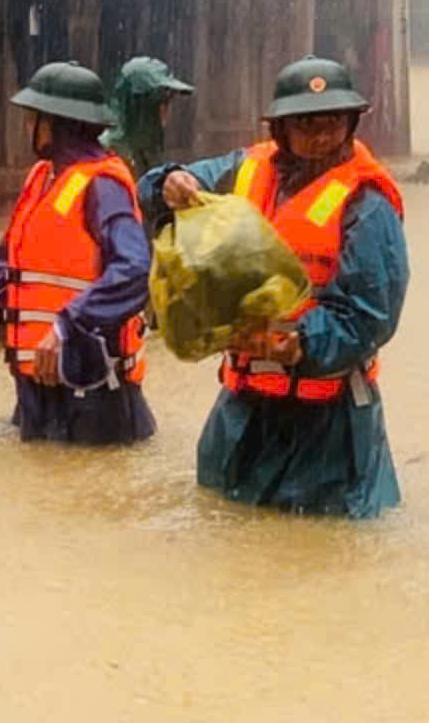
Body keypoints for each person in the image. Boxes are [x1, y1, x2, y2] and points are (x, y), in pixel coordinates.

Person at [144, 58, 408, 518]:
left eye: (332, 123)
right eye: (306, 124)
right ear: (281, 128)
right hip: (244, 411)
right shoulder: (244, 168)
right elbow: (166, 188)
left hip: (327, 424)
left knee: (325, 551)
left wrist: (300, 343)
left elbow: (372, 314)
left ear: (351, 123)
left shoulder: (367, 202)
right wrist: (168, 182)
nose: (321, 136)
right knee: (225, 530)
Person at [0, 63, 155, 445]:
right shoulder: (44, 177)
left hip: (93, 389)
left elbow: (134, 270)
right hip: (39, 381)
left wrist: (69, 324)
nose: (28, 127)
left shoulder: (103, 184)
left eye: (34, 119)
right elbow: (8, 260)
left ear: (57, 124)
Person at [100, 55, 194, 179]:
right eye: (163, 101)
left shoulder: (145, 154)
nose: (166, 111)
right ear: (141, 105)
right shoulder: (103, 157)